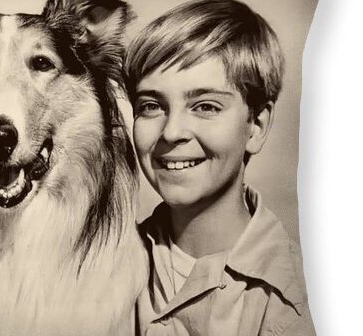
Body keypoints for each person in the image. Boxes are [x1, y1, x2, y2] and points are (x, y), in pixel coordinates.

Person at [124, 0, 316, 335]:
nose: (171, 132)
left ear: (255, 125)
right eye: (152, 106)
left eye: (205, 106)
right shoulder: (107, 263)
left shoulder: (305, 298)